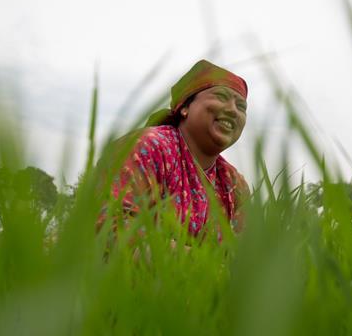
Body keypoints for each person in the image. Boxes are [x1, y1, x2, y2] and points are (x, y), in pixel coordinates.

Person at [100, 59, 250, 239]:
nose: (233, 110)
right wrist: (199, 263)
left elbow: (245, 257)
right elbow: (110, 229)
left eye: (241, 106)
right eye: (221, 96)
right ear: (185, 107)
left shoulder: (234, 184)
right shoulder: (147, 147)